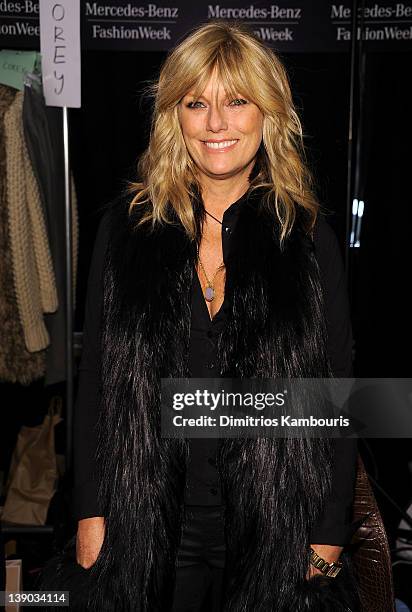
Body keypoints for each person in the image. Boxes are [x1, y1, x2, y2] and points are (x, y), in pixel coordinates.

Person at [71, 20, 361, 611]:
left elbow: (340, 396)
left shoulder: (306, 239)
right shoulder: (126, 231)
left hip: (275, 526)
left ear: (268, 113)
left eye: (237, 100)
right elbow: (95, 384)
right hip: (145, 522)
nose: (217, 122)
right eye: (196, 102)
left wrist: (330, 531)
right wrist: (89, 509)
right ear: (174, 116)